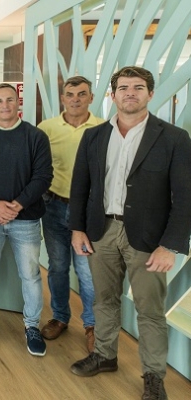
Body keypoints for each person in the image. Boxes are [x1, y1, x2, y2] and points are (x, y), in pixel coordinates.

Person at [69, 66, 191, 400]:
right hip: (101, 231)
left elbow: (185, 197)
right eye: (123, 88)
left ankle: (154, 376)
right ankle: (105, 356)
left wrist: (170, 245)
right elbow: (80, 186)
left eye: (138, 87)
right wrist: (77, 229)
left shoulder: (174, 138)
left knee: (150, 310)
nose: (130, 93)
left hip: (150, 239)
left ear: (150, 94)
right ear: (113, 95)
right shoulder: (94, 136)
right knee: (104, 299)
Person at [0, 83, 53, 357]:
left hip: (26, 219)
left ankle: (31, 326)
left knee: (30, 275)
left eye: (9, 100)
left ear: (18, 103)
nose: (4, 105)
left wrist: (16, 205)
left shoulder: (35, 137)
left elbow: (43, 177)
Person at [37, 76, 104, 352]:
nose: (75, 99)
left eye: (81, 94)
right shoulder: (46, 128)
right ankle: (60, 317)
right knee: (58, 266)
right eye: (70, 94)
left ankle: (91, 324)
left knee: (87, 272)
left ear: (91, 97)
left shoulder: (103, 128)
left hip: (88, 211)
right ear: (62, 98)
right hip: (53, 206)